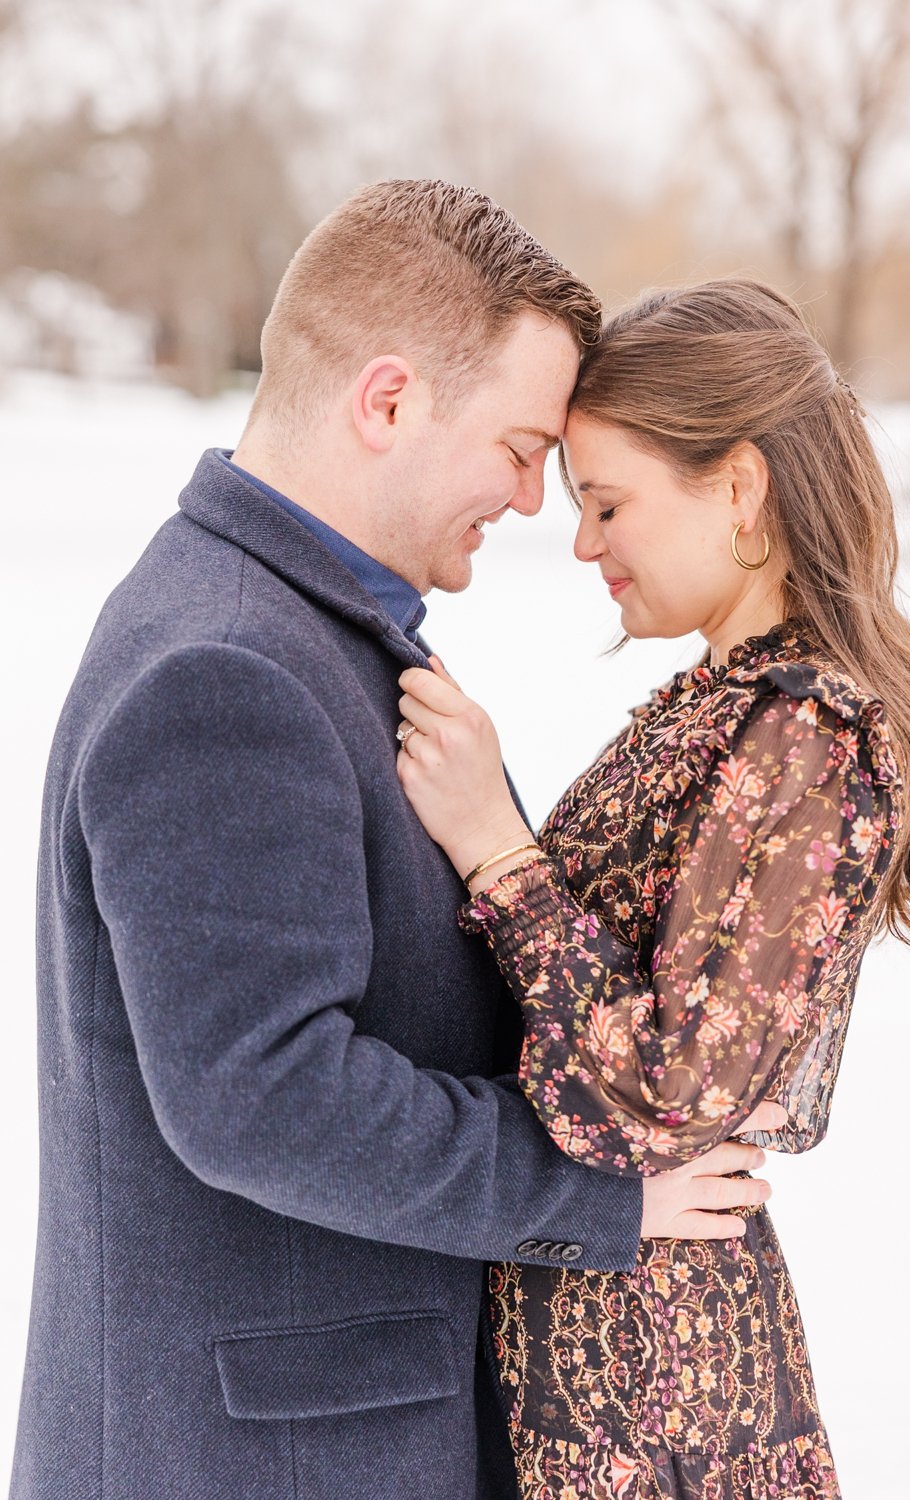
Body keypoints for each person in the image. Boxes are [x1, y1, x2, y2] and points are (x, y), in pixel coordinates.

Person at [9, 185, 781, 1500]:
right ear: (387, 401)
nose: (537, 499)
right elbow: (264, 1097)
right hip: (265, 1457)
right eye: (520, 445)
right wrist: (599, 1192)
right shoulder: (227, 671)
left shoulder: (291, 629)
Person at [395, 278, 910, 1499]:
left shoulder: (806, 730)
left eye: (608, 504)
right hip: (597, 1338)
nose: (581, 543)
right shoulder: (727, 706)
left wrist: (497, 852)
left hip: (659, 1385)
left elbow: (671, 1090)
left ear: (739, 486)